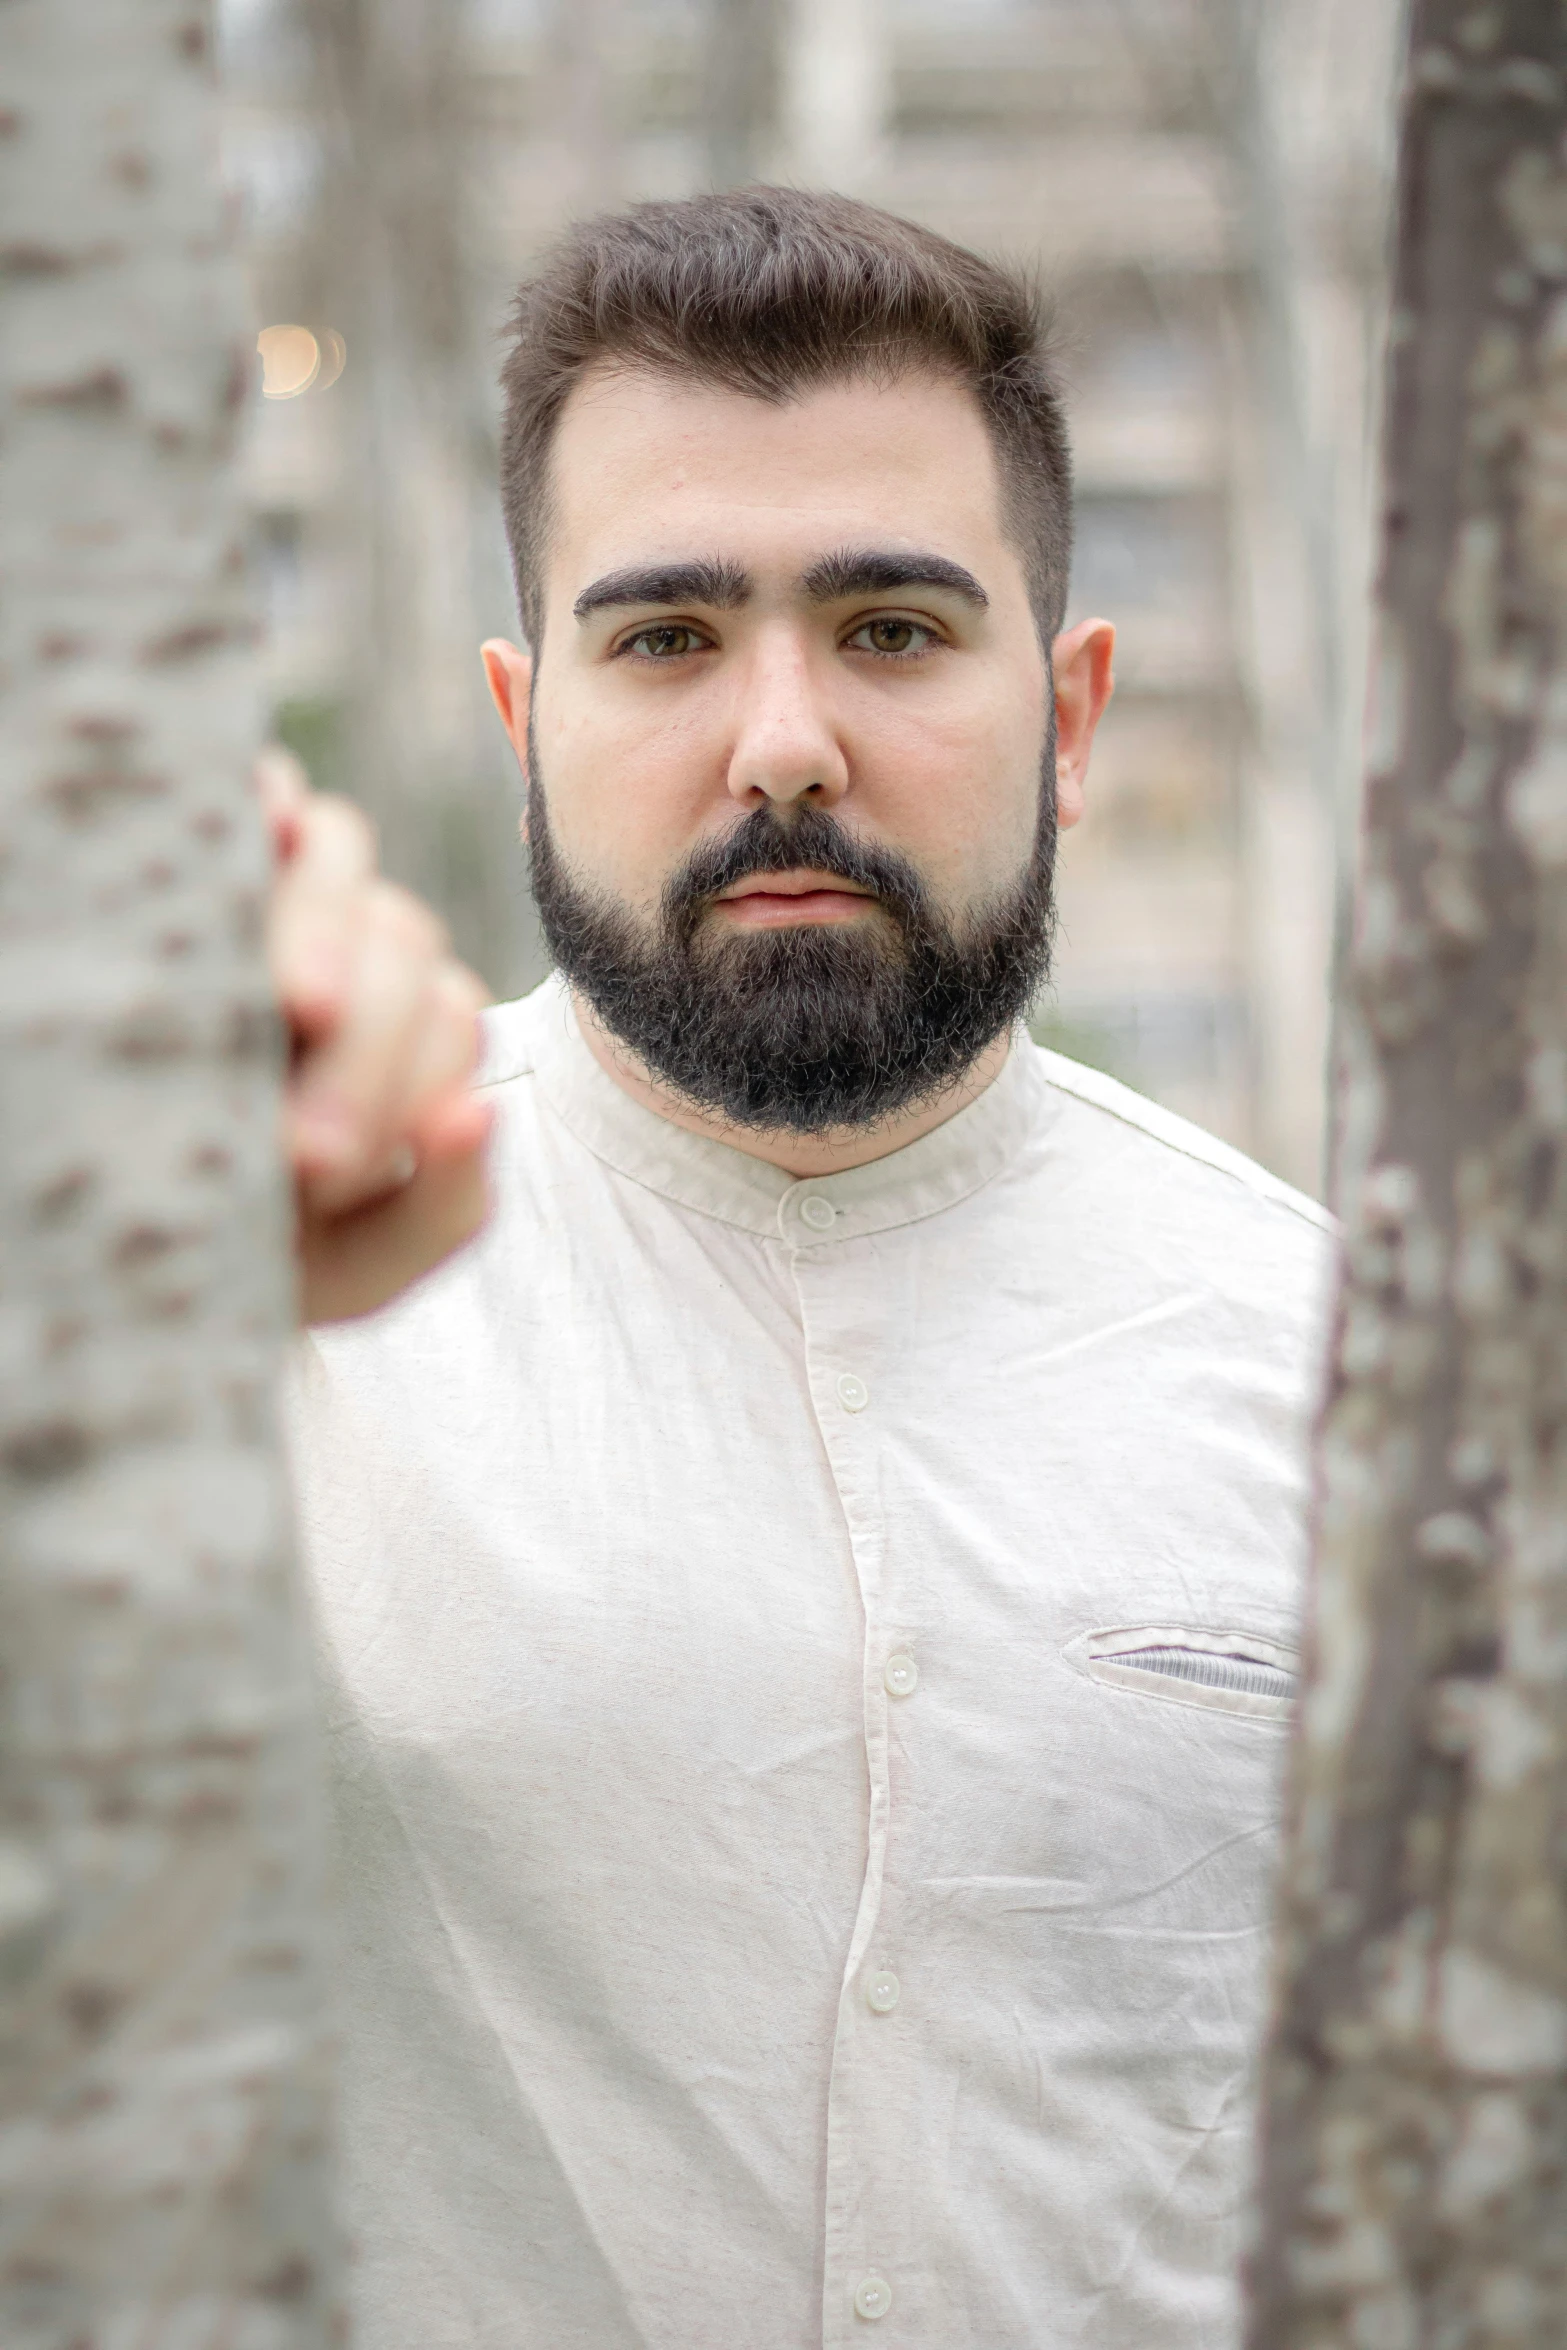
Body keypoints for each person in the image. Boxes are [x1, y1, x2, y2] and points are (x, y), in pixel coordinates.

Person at [272, 188, 1333, 2350]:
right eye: (664, 636)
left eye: (893, 628)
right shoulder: (257, 1300)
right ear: (521, 715)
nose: (782, 741)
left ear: (1073, 704)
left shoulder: (1361, 1373)